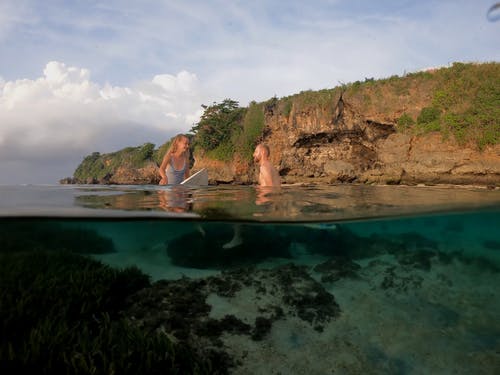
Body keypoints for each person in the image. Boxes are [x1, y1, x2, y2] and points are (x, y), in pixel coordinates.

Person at [223, 143, 281, 249]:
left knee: (235, 211)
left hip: (266, 204)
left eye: (255, 151)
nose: (253, 154)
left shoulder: (264, 167)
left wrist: (268, 206)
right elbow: (271, 186)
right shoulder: (270, 166)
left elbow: (270, 188)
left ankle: (238, 238)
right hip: (269, 203)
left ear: (262, 152)